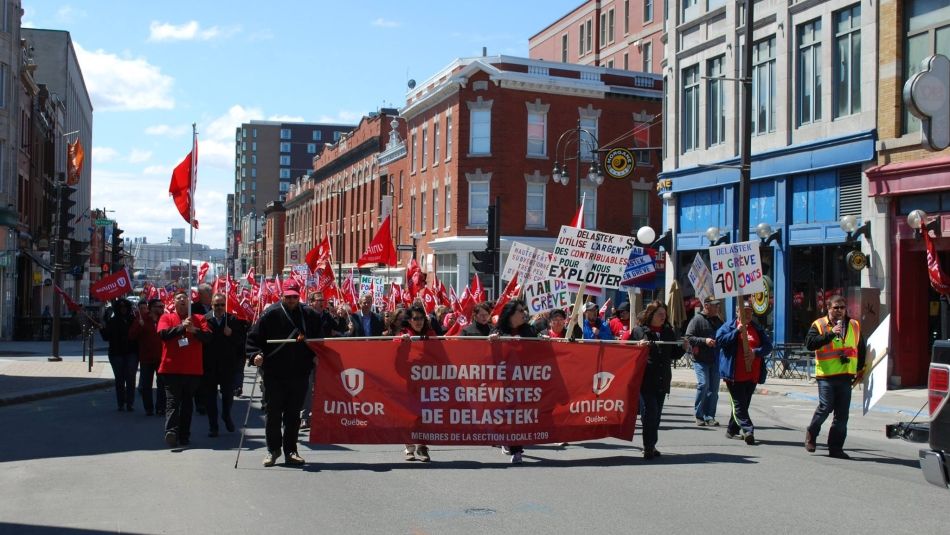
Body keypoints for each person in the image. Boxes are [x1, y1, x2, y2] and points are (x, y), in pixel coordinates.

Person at [246, 278, 324, 467]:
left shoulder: (309, 315)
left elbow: (320, 337)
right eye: (288, 297)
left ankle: (291, 450)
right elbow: (252, 339)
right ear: (282, 296)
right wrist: (255, 355)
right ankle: (273, 450)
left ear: (300, 296)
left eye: (294, 297)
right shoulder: (269, 314)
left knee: (293, 415)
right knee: (273, 413)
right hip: (274, 373)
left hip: (299, 372)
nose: (291, 300)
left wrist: (317, 353)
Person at [804, 295, 866, 459]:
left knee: (842, 415)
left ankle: (836, 448)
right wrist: (830, 334)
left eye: (842, 307)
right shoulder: (819, 324)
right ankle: (812, 432)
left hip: (846, 375)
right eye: (836, 308)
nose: (839, 311)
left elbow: (861, 348)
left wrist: (860, 369)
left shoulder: (854, 325)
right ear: (828, 308)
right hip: (826, 375)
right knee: (825, 407)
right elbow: (810, 344)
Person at [158, 291, 211, 448]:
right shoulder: (166, 317)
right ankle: (172, 432)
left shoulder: (199, 319)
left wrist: (194, 330)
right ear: (174, 302)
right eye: (178, 298)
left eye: (184, 298)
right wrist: (182, 328)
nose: (182, 300)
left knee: (187, 404)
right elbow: (163, 335)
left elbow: (208, 338)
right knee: (173, 402)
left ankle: (184, 435)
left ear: (189, 302)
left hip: (192, 370)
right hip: (171, 369)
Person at [715, 300, 772, 445]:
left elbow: (768, 346)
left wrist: (755, 352)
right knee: (739, 404)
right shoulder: (729, 326)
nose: (747, 314)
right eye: (744, 311)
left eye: (749, 312)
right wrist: (737, 331)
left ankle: (732, 430)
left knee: (743, 404)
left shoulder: (757, 328)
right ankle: (748, 430)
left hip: (752, 374)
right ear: (737, 312)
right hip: (734, 375)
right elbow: (720, 340)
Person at [631, 300, 680, 460]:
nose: (662, 317)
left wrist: (684, 348)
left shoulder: (668, 332)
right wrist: (638, 347)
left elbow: (674, 354)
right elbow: (629, 352)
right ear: (651, 315)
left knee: (656, 415)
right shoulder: (639, 331)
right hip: (646, 379)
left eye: (664, 314)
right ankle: (648, 446)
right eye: (659, 314)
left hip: (662, 379)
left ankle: (651, 443)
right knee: (650, 413)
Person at [491, 299, 536, 463]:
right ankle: (509, 441)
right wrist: (492, 342)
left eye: (524, 310)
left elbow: (538, 352)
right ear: (510, 314)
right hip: (503, 381)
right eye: (520, 311)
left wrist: (543, 341)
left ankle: (516, 448)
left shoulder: (529, 331)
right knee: (507, 413)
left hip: (524, 380)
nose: (524, 313)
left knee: (518, 414)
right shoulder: (498, 332)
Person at [202, 293, 246, 437]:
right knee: (210, 398)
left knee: (227, 395)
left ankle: (226, 415)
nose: (219, 307)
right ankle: (212, 426)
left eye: (222, 305)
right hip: (209, 365)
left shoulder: (232, 320)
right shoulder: (205, 319)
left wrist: (231, 333)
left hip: (227, 365)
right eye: (216, 305)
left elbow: (240, 341)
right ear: (212, 305)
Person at [399, 304, 437, 462]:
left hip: (427, 381)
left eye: (421, 318)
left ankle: (422, 446)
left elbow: (439, 353)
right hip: (408, 381)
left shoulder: (431, 334)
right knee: (409, 415)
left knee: (425, 414)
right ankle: (409, 447)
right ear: (409, 320)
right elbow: (396, 358)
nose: (419, 321)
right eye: (415, 318)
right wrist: (402, 343)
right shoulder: (403, 335)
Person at [685, 297, 724, 426]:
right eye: (715, 305)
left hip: (715, 360)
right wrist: (705, 341)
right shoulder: (697, 319)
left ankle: (710, 416)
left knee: (714, 390)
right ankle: (699, 415)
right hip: (700, 359)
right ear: (706, 306)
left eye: (718, 305)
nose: (717, 307)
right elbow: (689, 337)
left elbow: (724, 336)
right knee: (704, 384)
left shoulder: (718, 320)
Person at [100, 298, 138, 412]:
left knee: (131, 378)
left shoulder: (133, 320)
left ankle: (130, 403)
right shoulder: (112, 321)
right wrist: (102, 329)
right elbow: (106, 337)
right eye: (121, 307)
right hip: (116, 353)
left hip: (131, 352)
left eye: (125, 307)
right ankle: (121, 403)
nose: (123, 309)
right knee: (119, 379)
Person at [129, 298, 165, 416]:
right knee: (146, 385)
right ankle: (148, 408)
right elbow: (132, 336)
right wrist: (140, 326)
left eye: (162, 306)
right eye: (159, 306)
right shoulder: (142, 318)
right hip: (146, 358)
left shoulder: (164, 318)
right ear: (151, 308)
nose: (161, 308)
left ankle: (160, 407)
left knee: (162, 385)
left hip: (161, 358)